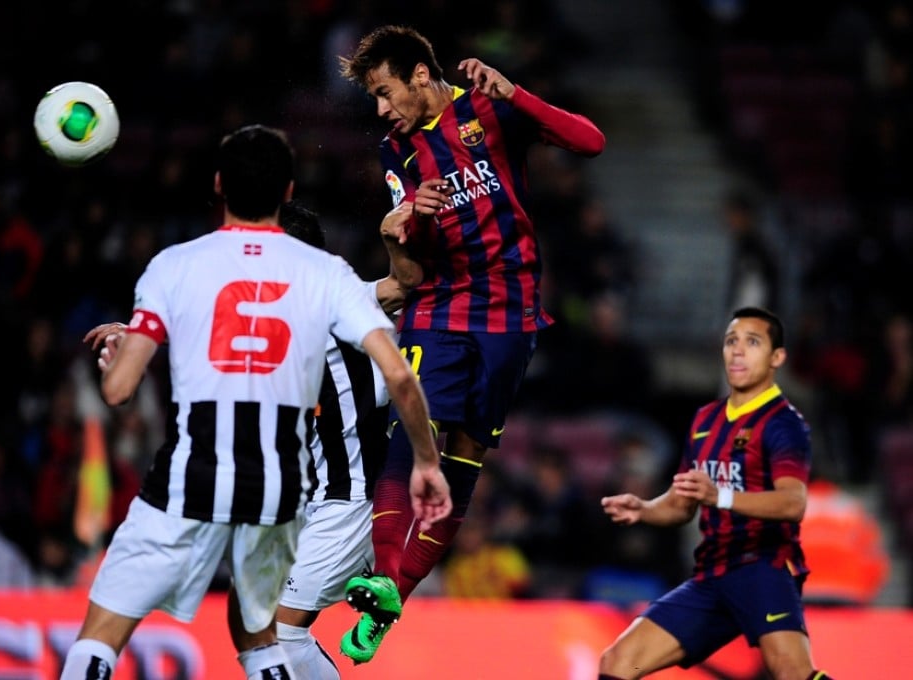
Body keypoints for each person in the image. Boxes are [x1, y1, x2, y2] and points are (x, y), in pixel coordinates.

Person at [58, 124, 451, 680]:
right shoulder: (325, 287)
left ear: (220, 188)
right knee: (262, 635)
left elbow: (401, 284)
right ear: (286, 191)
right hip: (291, 496)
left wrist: (138, 340)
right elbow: (240, 316)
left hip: (345, 502)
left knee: (273, 632)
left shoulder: (199, 269)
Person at [336, 24, 606, 663]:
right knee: (414, 425)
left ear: (420, 76)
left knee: (463, 455)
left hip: (511, 311)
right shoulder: (395, 154)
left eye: (384, 92)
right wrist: (406, 228)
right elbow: (412, 270)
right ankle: (382, 571)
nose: (381, 109)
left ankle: (392, 595)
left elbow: (590, 142)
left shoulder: (490, 107)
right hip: (440, 306)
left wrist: (518, 92)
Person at [597, 307, 834, 680]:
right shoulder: (705, 421)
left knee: (792, 672)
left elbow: (793, 502)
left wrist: (720, 497)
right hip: (713, 573)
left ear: (777, 358)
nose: (738, 351)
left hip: (764, 566)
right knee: (617, 663)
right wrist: (644, 508)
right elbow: (681, 504)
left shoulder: (784, 424)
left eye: (752, 342)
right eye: (731, 341)